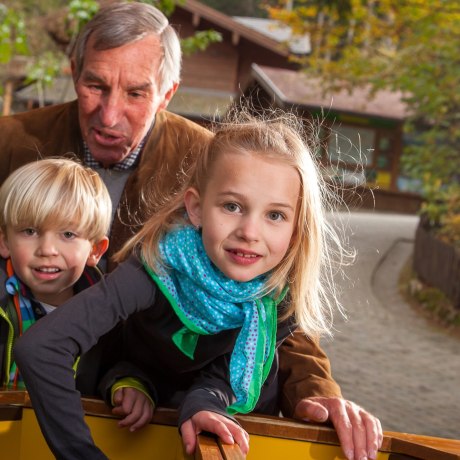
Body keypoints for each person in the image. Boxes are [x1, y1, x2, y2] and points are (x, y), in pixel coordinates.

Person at [0, 2, 381, 459]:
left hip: (153, 407)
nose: (109, 114)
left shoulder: (217, 162)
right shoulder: (9, 143)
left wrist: (318, 393)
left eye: (137, 93)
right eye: (95, 86)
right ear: (73, 72)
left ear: (168, 92)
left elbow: (270, 300)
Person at [0, 158, 154, 429]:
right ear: (4, 242)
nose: (47, 249)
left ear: (96, 250)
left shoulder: (110, 311)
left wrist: (129, 385)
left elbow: (122, 361)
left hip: (61, 439)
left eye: (68, 234)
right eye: (30, 231)